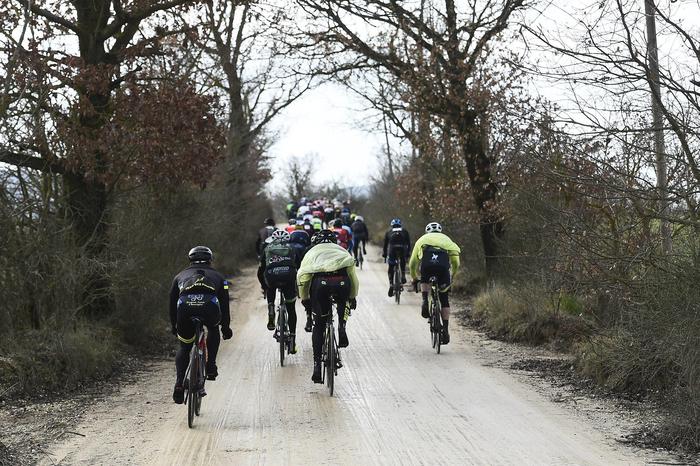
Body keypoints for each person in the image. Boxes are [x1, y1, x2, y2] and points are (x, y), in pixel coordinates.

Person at [169, 246, 233, 404]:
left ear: (189, 260)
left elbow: (172, 303)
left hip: (185, 309)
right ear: (210, 260)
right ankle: (211, 366)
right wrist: (225, 327)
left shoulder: (179, 276)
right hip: (209, 309)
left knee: (184, 347)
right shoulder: (219, 277)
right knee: (213, 328)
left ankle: (179, 383)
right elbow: (224, 304)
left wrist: (174, 325)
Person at [297, 230, 359, 383]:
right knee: (343, 303)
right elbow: (353, 278)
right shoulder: (342, 251)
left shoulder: (311, 253)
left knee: (319, 325)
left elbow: (303, 278)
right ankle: (342, 327)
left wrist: (305, 298)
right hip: (342, 282)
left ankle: (317, 366)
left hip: (321, 285)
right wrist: (352, 296)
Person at [408, 222, 460, 345]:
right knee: (444, 298)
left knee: (424, 278)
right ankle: (446, 330)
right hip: (443, 269)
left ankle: (425, 299)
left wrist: (415, 278)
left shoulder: (422, 240)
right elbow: (455, 262)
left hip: (427, 267)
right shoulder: (447, 240)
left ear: (427, 231)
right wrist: (452, 275)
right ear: (440, 231)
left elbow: (412, 263)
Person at [259, 230, 300, 353]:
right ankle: (292, 339)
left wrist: (263, 286)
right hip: (288, 276)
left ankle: (271, 306)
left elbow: (261, 268)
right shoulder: (292, 248)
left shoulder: (267, 248)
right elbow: (298, 266)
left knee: (270, 284)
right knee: (291, 309)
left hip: (272, 275)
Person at [382, 218, 411, 297]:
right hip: (402, 249)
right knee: (402, 260)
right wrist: (408, 253)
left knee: (391, 267)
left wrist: (384, 254)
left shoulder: (389, 232)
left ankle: (391, 284)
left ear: (392, 225)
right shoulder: (404, 231)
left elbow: (385, 245)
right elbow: (408, 243)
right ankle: (403, 275)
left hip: (392, 250)